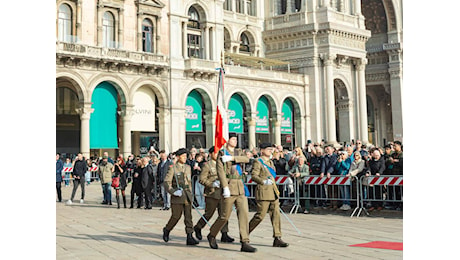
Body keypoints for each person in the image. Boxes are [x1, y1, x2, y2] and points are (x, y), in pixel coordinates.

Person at [206, 133, 256, 253]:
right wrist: (225, 187)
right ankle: (212, 234)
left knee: (244, 214)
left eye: (235, 139)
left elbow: (247, 158)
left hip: (240, 187)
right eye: (232, 139)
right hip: (229, 186)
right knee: (224, 216)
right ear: (227, 140)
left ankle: (245, 241)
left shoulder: (238, 152)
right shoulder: (222, 154)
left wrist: (232, 158)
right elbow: (221, 172)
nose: (235, 141)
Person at [249, 143, 289, 247]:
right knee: (260, 216)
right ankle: (245, 232)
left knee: (276, 215)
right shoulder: (258, 161)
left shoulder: (271, 162)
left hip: (273, 192)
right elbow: (254, 176)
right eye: (268, 149)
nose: (271, 151)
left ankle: (277, 237)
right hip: (263, 191)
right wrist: (263, 181)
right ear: (262, 151)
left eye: (271, 149)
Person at [193, 146, 235, 243]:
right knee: (209, 214)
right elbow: (202, 179)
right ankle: (198, 227)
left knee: (224, 214)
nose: (218, 155)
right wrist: (212, 184)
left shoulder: (223, 165)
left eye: (219, 153)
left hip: (223, 192)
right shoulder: (207, 165)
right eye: (216, 153)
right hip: (212, 193)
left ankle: (224, 233)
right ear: (211, 154)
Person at [162, 148, 199, 246]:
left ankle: (190, 236)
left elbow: (189, 182)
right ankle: (167, 229)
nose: (185, 158)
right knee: (176, 216)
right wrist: (173, 192)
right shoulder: (173, 168)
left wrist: (191, 194)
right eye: (183, 156)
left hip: (187, 194)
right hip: (178, 195)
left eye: (186, 156)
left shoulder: (187, 167)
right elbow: (166, 182)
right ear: (178, 157)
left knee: (188, 217)